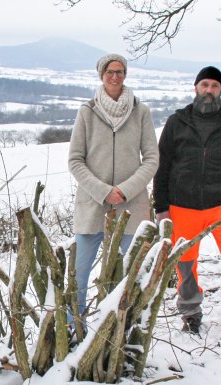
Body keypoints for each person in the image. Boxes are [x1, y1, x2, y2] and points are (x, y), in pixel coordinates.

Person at [153, 66, 221, 340]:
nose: (209, 90)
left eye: (214, 85)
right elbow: (162, 166)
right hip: (182, 206)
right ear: (196, 88)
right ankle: (190, 315)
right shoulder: (178, 121)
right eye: (205, 85)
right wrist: (162, 207)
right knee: (184, 266)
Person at [67, 53, 159, 321]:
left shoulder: (141, 111)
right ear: (101, 75)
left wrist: (126, 190)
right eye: (110, 72)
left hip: (133, 206)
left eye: (120, 71)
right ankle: (75, 328)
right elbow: (75, 160)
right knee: (79, 274)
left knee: (135, 271)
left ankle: (128, 327)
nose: (115, 76)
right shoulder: (87, 111)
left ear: (125, 75)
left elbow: (152, 158)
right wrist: (104, 191)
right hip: (92, 204)